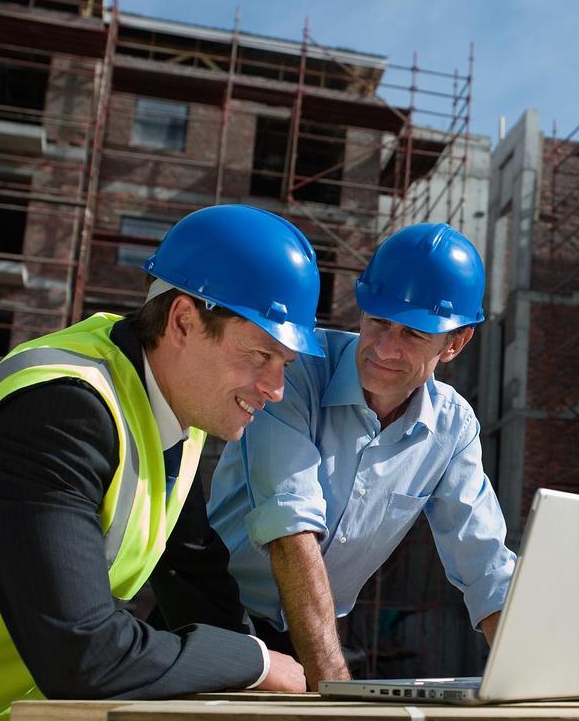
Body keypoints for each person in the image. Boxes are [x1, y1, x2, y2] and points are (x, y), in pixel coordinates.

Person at [0, 205, 322, 720]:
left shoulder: (177, 414)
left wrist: (275, 684)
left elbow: (193, 574)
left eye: (284, 364)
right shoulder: (59, 413)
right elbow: (83, 654)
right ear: (182, 320)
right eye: (260, 355)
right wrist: (254, 662)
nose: (276, 389)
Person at [208, 222, 515, 685]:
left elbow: (485, 562)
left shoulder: (453, 427)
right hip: (211, 612)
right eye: (378, 322)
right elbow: (290, 528)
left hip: (317, 632)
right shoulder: (292, 373)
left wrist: (537, 676)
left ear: (455, 343)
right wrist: (333, 686)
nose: (385, 349)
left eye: (412, 334)